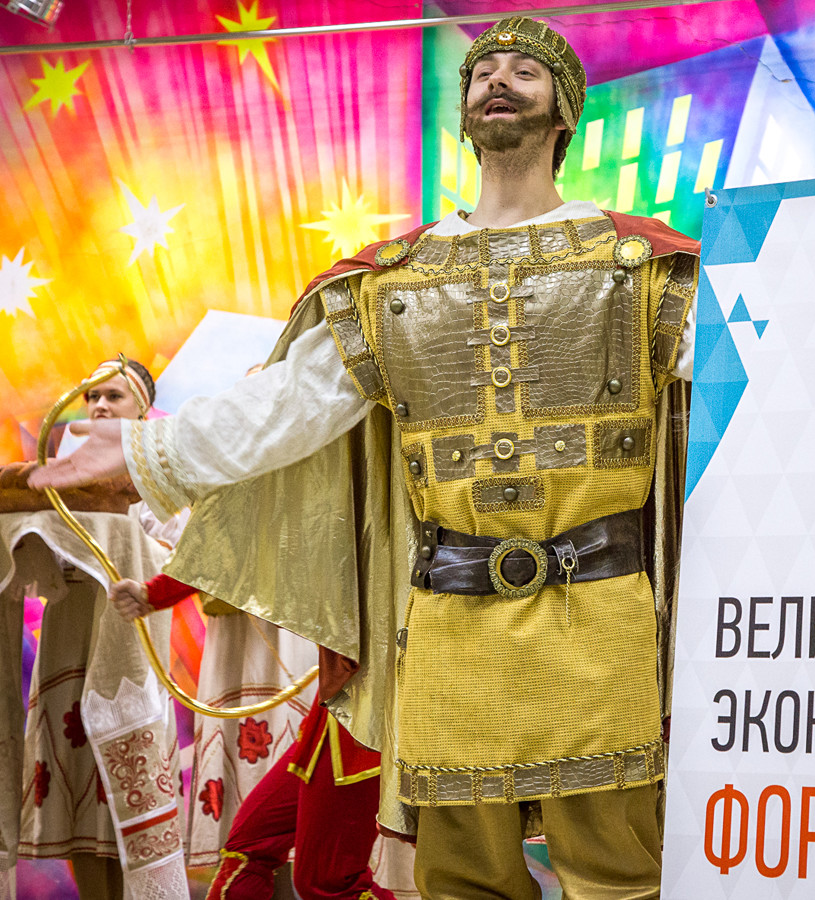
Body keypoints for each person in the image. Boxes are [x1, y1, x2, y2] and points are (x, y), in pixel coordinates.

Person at [33, 17, 699, 898]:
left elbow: (747, 386)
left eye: (524, 70)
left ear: (565, 111)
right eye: (483, 72)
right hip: (449, 625)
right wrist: (146, 443)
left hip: (601, 616)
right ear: (466, 111)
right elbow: (287, 403)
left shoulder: (641, 266)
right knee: (463, 883)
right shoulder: (395, 281)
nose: (499, 80)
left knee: (617, 876)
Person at [9, 358, 190, 900]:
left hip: (126, 640)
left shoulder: (160, 467)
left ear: (142, 408)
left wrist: (115, 540)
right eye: (92, 397)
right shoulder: (58, 467)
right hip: (68, 635)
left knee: (126, 792)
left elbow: (180, 554)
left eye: (114, 396)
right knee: (74, 790)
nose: (100, 405)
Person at [109, 574, 393, 900]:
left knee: (327, 881)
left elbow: (240, 540)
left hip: (370, 696)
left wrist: (156, 593)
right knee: (248, 848)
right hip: (337, 696)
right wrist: (156, 592)